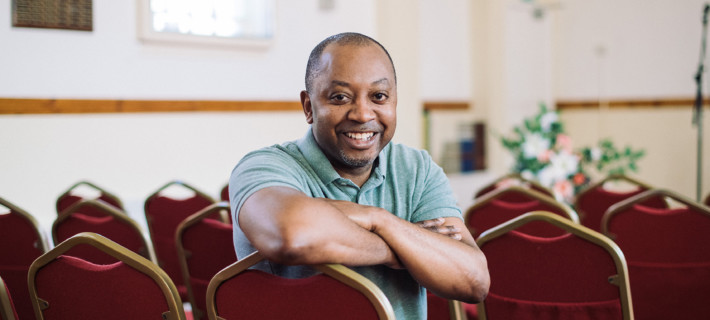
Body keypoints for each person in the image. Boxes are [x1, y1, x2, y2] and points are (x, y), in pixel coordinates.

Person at [229, 32, 489, 319]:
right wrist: (406, 245)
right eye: (340, 97)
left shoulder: (418, 168)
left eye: (379, 96)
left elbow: (473, 280)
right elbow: (292, 236)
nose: (363, 114)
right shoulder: (264, 165)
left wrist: (380, 220)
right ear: (308, 107)